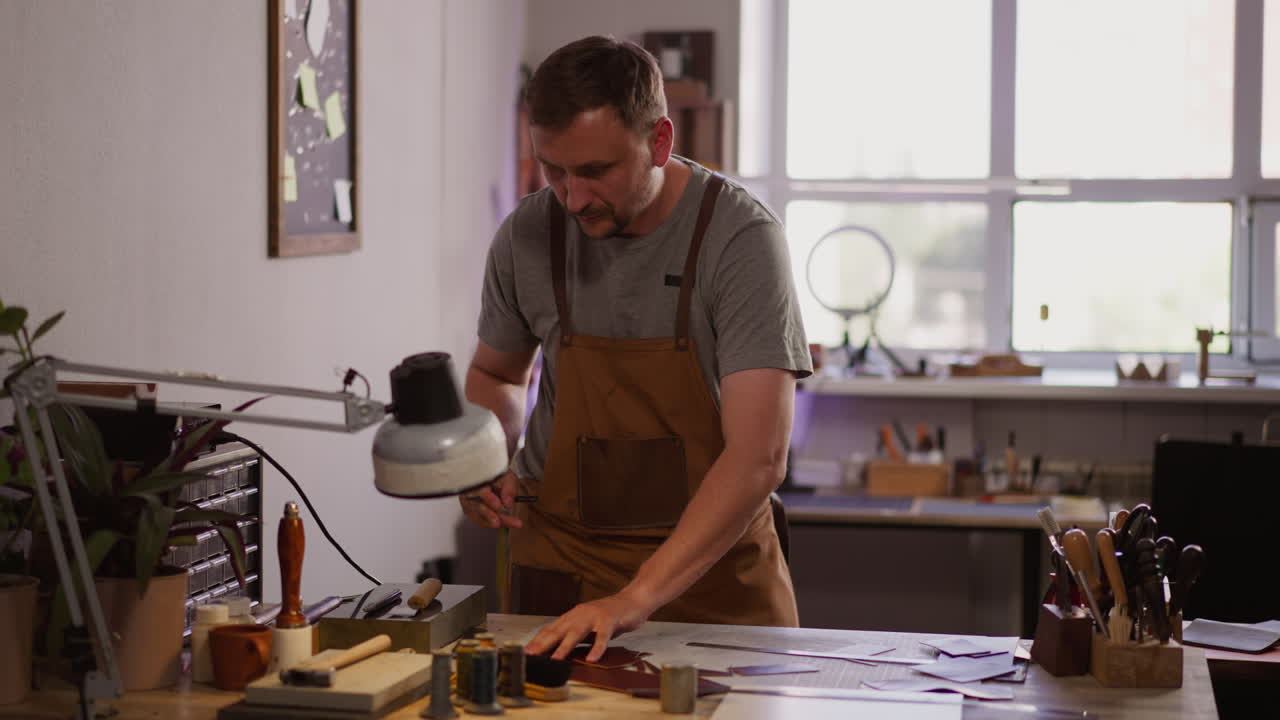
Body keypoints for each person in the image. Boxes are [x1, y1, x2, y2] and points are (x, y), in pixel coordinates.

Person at [460, 35, 812, 663]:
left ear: (659, 141)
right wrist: (483, 460)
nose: (572, 198)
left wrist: (634, 597)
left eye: (596, 171)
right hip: (562, 570)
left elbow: (760, 456)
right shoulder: (528, 234)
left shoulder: (740, 241)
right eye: (554, 170)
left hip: (711, 582)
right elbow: (496, 373)